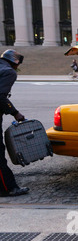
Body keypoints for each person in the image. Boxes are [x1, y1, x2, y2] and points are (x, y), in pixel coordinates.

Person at [0, 49, 29, 197]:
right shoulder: (9, 72)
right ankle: (8, 188)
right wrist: (15, 113)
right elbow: (0, 96)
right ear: (15, 62)